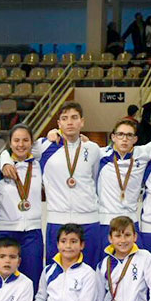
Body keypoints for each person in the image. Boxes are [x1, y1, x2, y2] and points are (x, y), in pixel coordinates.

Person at [35, 103, 104, 267]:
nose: (70, 122)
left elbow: (94, 178)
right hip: (58, 221)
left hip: (89, 221)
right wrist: (5, 162)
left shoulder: (92, 148)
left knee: (92, 273)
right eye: (64, 119)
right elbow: (15, 149)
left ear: (82, 122)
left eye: (74, 118)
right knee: (57, 274)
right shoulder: (43, 146)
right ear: (58, 124)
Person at [0, 124, 46, 288]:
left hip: (32, 232)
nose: (21, 144)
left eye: (25, 140)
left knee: (32, 281)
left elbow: (50, 142)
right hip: (6, 231)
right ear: (10, 143)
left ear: (32, 142)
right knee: (4, 282)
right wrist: (4, 159)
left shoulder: (39, 165)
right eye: (16, 140)